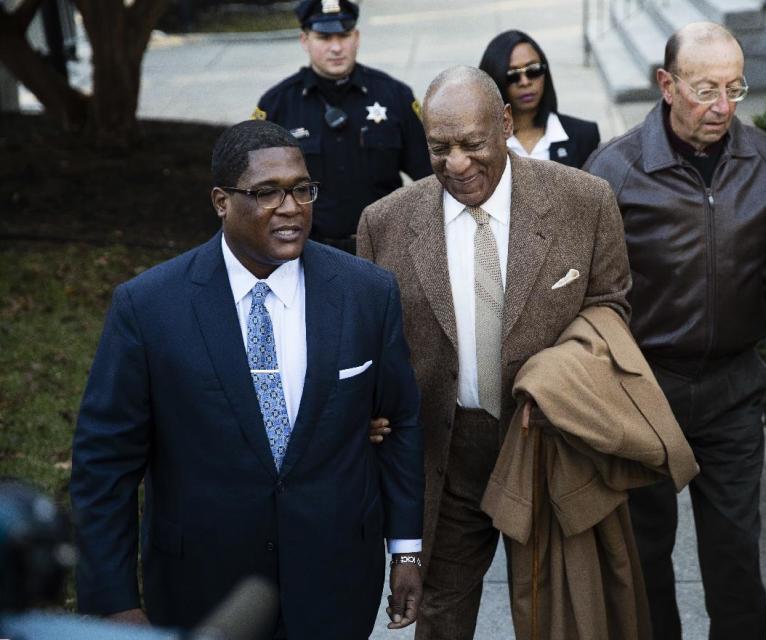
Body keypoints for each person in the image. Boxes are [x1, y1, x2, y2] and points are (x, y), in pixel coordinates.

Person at [70, 119, 425, 640]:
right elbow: (103, 466)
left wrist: (405, 550)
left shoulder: (366, 293)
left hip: (335, 584)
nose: (291, 208)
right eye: (266, 193)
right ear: (221, 201)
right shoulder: (148, 308)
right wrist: (113, 600)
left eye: (302, 189)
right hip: (202, 592)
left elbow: (400, 422)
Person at [357, 66, 631, 640]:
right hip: (448, 452)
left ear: (505, 123)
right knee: (442, 619)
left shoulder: (584, 201)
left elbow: (609, 309)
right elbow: (372, 344)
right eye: (439, 148)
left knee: (561, 618)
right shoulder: (384, 224)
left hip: (547, 450)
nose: (456, 164)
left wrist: (557, 381)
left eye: (472, 145)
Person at [584, 22, 766, 640]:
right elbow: (590, 290)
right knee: (645, 561)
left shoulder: (763, 156)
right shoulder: (613, 170)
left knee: (735, 559)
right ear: (666, 85)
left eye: (735, 88)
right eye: (706, 90)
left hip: (732, 392)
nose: (723, 107)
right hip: (646, 394)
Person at [253, 0, 432, 254]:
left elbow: (430, 177)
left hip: (384, 250)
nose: (336, 47)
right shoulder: (277, 105)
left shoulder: (395, 96)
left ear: (356, 37)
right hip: (310, 253)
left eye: (344, 35)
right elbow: (257, 190)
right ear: (305, 40)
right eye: (324, 37)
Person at [479, 29, 600, 168]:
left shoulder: (584, 136)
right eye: (512, 75)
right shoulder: (481, 143)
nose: (525, 82)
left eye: (533, 70)